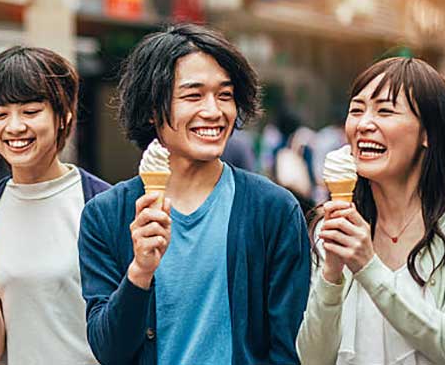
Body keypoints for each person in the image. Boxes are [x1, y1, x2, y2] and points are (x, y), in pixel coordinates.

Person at [78, 23, 311, 365]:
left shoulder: (273, 210)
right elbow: (109, 351)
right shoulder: (106, 215)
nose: (214, 111)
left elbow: (288, 345)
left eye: (225, 95)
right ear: (153, 109)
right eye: (193, 95)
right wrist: (140, 271)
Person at [0, 46, 110, 365]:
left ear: (64, 115)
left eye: (30, 111)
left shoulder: (102, 206)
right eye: (0, 114)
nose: (14, 127)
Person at [296, 57, 445, 365]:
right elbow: (313, 359)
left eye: (385, 111)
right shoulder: (331, 226)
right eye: (356, 110)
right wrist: (331, 273)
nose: (364, 124)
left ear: (428, 133)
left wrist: (368, 266)